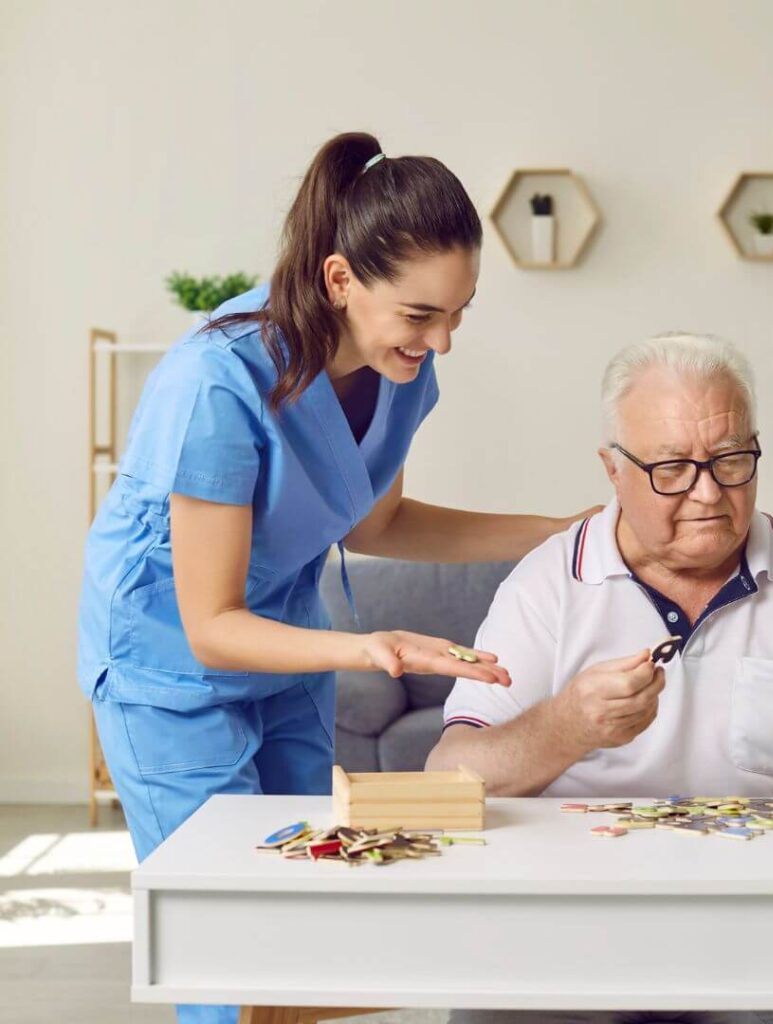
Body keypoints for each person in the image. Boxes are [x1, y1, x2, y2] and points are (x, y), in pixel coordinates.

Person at [78, 132, 592, 1024]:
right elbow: (209, 622)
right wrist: (371, 643)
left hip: (283, 636)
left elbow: (376, 520)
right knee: (226, 937)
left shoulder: (402, 373)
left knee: (309, 908)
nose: (443, 341)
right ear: (341, 280)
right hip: (166, 660)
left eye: (459, 314)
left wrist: (555, 534)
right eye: (421, 315)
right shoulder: (216, 383)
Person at [429, 332, 773, 1024]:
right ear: (612, 470)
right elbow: (446, 776)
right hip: (578, 917)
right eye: (671, 468)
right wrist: (568, 727)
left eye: (731, 461)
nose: (707, 493)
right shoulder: (547, 582)